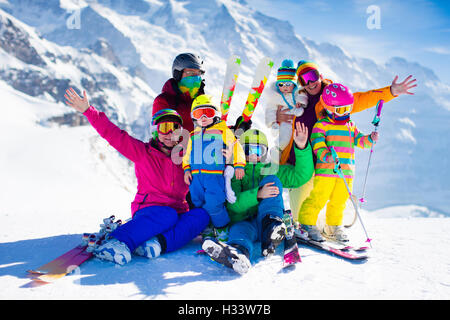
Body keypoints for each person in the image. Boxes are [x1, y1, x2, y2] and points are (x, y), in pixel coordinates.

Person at [64, 88, 210, 265]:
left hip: (177, 213)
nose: (171, 134)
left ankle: (156, 244)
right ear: (155, 131)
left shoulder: (185, 158)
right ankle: (118, 241)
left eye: (175, 129)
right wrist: (88, 110)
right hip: (149, 210)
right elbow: (114, 135)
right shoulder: (143, 153)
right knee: (168, 215)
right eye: (165, 128)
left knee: (201, 215)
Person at [279, 60, 417, 221]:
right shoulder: (296, 99)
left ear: (320, 75)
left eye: (312, 76)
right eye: (304, 80)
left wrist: (391, 91)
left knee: (330, 199)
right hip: (300, 162)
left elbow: (361, 99)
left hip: (326, 162)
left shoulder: (333, 97)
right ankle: (306, 224)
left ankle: (336, 221)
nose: (310, 83)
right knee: (300, 218)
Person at [201, 125, 314, 274]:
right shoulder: (234, 172)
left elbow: (300, 176)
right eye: (248, 150)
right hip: (244, 222)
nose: (253, 155)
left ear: (265, 152)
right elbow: (233, 205)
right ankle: (239, 253)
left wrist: (301, 147)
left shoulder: (270, 168)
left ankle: (273, 228)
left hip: (267, 221)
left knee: (273, 179)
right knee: (239, 231)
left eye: (258, 150)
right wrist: (258, 194)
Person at [296, 83, 378, 242]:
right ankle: (306, 223)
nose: (346, 113)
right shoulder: (322, 125)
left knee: (339, 201)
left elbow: (360, 141)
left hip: (346, 171)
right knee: (319, 197)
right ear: (328, 107)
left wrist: (369, 139)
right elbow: (317, 144)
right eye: (341, 110)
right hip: (327, 170)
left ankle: (333, 226)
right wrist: (327, 156)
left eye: (349, 108)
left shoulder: (350, 125)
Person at [182, 94, 246, 242]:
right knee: (198, 203)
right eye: (199, 114)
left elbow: (236, 147)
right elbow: (187, 155)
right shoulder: (192, 135)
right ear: (194, 117)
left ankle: (222, 229)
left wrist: (239, 164)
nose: (203, 117)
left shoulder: (222, 131)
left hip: (214, 176)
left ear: (215, 114)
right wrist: (186, 169)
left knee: (214, 203)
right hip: (195, 178)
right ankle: (207, 229)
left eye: (208, 113)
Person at [152, 53, 206, 133]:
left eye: (198, 73)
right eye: (190, 73)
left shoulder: (202, 101)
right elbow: (161, 135)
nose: (196, 78)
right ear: (178, 74)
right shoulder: (163, 101)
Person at [265, 59, 308, 154]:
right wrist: (273, 122)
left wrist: (301, 103)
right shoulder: (276, 96)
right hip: (285, 122)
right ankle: (278, 148)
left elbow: (302, 95)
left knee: (294, 138)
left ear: (294, 84)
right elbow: (270, 109)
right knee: (284, 137)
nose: (284, 87)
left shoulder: (297, 92)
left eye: (288, 84)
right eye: (281, 84)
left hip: (296, 119)